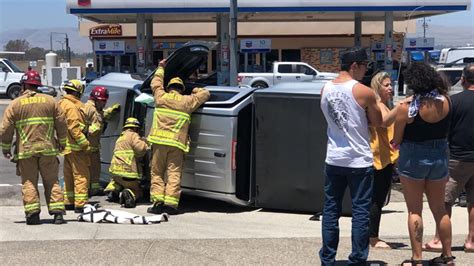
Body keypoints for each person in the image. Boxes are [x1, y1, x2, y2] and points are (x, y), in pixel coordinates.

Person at [319, 47, 382, 265]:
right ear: (354, 66)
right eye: (364, 66)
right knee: (360, 212)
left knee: (330, 211)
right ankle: (357, 259)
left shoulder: (324, 89)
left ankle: (327, 258)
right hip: (358, 159)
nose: (366, 71)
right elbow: (378, 122)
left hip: (334, 157)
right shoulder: (363, 91)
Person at [392, 63, 454, 265]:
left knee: (414, 210)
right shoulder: (446, 102)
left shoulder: (406, 108)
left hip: (413, 157)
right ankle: (447, 255)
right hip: (439, 155)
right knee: (439, 208)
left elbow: (397, 139)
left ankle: (417, 258)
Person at [0, 70, 67, 225]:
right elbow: (62, 123)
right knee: (52, 181)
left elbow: (5, 129)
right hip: (48, 150)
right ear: (38, 85)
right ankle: (57, 213)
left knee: (29, 182)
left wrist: (5, 148)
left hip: (26, 151)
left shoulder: (15, 104)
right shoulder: (51, 101)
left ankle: (33, 215)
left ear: (24, 84)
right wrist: (63, 142)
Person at [147, 59, 210, 215]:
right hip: (176, 145)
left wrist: (161, 67)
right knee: (174, 174)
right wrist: (194, 89)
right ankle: (171, 205)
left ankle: (157, 204)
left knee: (157, 174)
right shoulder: (187, 102)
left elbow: (155, 83)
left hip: (159, 144)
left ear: (169, 88)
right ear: (182, 89)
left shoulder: (161, 97)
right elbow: (206, 93)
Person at [423, 64, 474, 254]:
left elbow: (445, 130)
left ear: (463, 79)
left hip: (456, 158)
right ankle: (472, 241)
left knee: (444, 201)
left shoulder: (453, 102)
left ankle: (439, 239)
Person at [368, 72, 400, 249]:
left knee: (378, 199)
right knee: (376, 199)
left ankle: (371, 235)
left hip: (387, 159)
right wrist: (402, 105)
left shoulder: (386, 105)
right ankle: (373, 237)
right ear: (378, 86)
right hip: (377, 160)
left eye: (391, 84)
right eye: (386, 85)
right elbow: (383, 123)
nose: (390, 88)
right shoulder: (377, 106)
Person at [58, 79, 91, 213]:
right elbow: (74, 128)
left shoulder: (62, 103)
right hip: (76, 148)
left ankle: (69, 202)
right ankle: (80, 204)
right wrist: (85, 144)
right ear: (78, 92)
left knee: (69, 175)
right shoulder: (72, 107)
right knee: (81, 176)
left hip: (67, 147)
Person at [83, 86, 120, 196]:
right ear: (96, 99)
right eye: (103, 101)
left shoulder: (94, 108)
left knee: (95, 169)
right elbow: (89, 127)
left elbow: (101, 115)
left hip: (92, 146)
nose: (104, 103)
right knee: (88, 170)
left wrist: (110, 112)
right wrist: (97, 128)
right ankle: (87, 190)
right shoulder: (91, 109)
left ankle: (94, 188)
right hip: (88, 146)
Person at [104, 117, 148, 208]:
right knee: (137, 190)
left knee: (119, 181)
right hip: (127, 172)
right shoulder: (133, 135)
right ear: (135, 128)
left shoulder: (121, 137)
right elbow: (140, 149)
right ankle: (129, 194)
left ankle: (114, 190)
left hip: (115, 172)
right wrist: (145, 143)